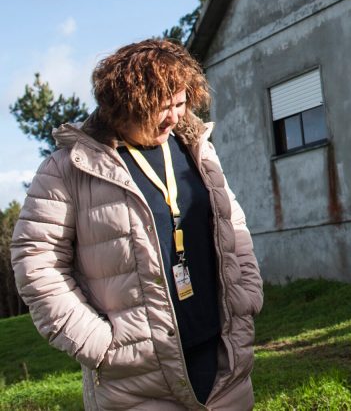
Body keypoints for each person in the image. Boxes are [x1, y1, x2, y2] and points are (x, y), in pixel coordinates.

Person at [12, 39, 263, 410]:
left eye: (180, 104)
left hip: (224, 363)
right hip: (136, 381)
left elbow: (232, 222)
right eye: (163, 108)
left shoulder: (197, 148)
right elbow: (36, 263)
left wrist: (248, 293)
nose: (175, 117)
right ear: (126, 106)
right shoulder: (68, 169)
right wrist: (100, 344)